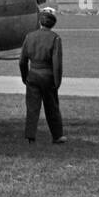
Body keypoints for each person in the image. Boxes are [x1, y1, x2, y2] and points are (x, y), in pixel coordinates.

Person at [19, 10, 66, 144]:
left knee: (32, 107)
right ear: (52, 25)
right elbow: (57, 64)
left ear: (40, 22)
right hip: (48, 76)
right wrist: (57, 82)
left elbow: (22, 61)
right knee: (52, 107)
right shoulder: (55, 38)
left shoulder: (29, 36)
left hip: (33, 74)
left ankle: (30, 136)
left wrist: (25, 77)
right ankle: (57, 136)